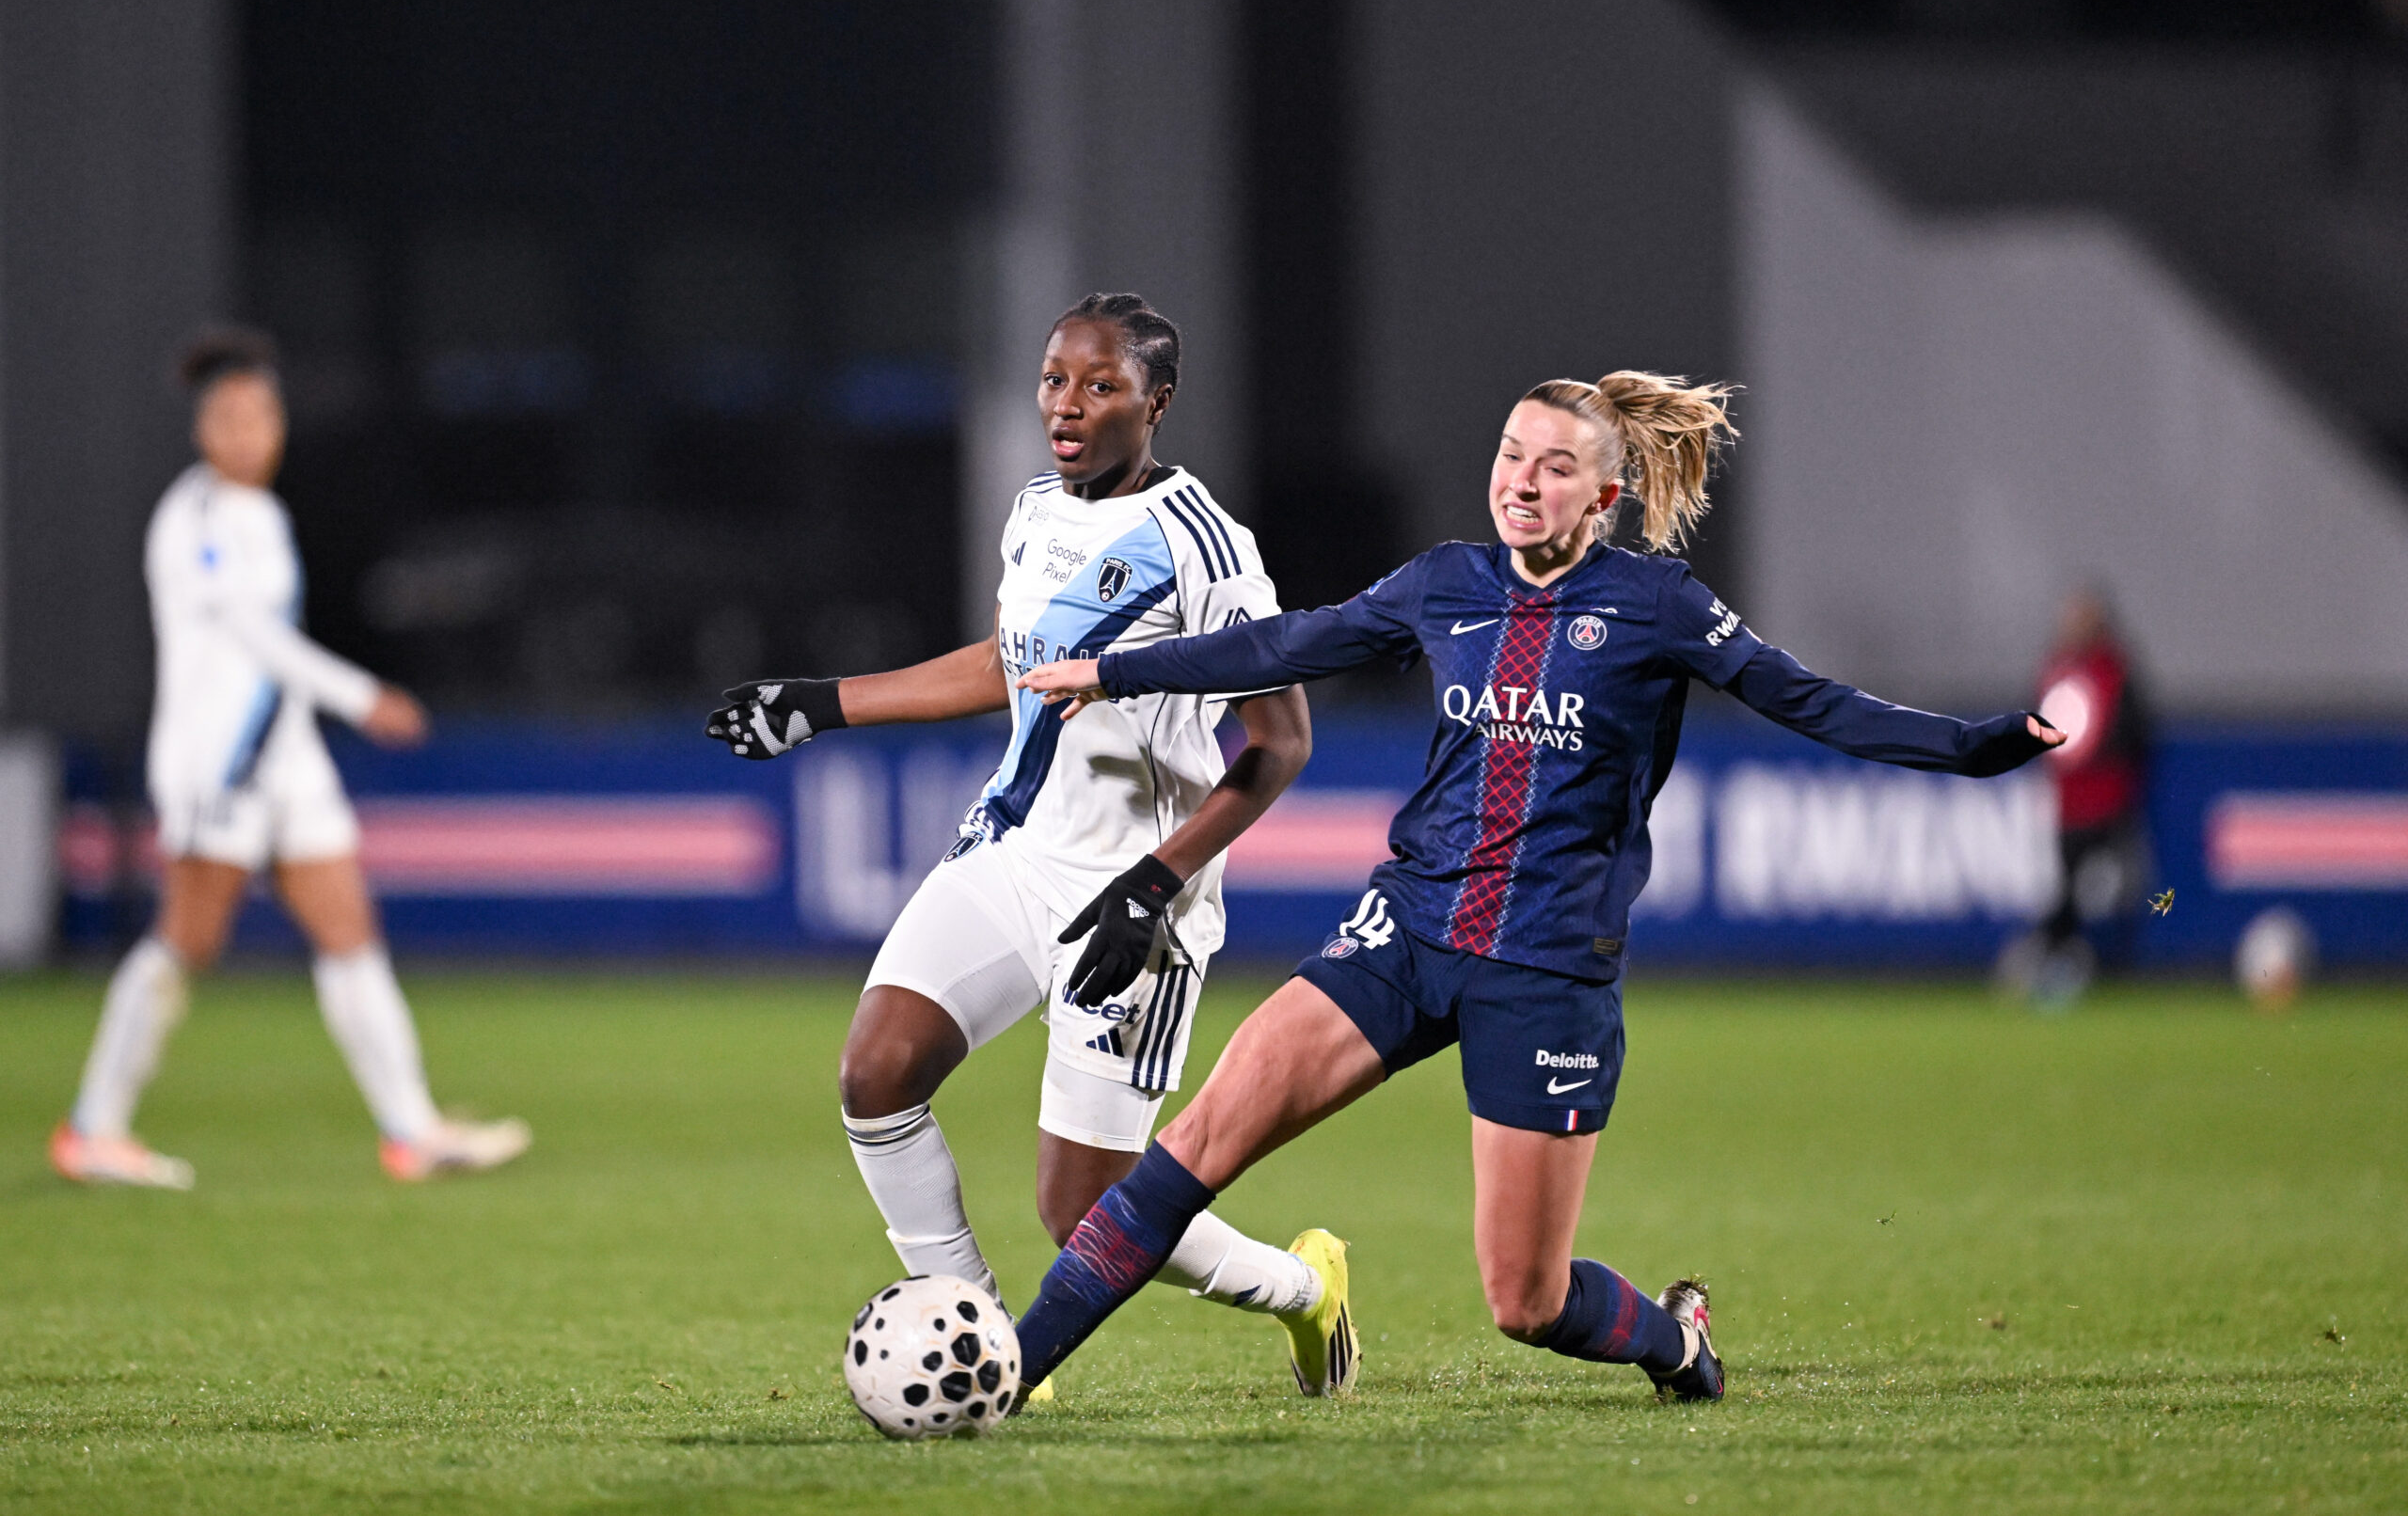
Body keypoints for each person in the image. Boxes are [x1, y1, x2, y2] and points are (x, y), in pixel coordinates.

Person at [1008, 371, 2065, 1402]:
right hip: (1406, 932)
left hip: (1547, 966)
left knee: (1524, 1298)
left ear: (1604, 498)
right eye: (1511, 455)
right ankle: (1005, 1372)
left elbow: (1814, 702)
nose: (1521, 479)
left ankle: (1674, 1340)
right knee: (1192, 1145)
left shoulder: (1658, 604)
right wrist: (1115, 669)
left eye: (1555, 468)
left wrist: (1977, 747)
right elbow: (1287, 640)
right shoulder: (1445, 583)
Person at [705, 294, 1354, 1395]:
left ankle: (1307, 1288)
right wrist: (825, 702)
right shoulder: (1034, 509)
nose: (1067, 404)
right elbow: (1008, 660)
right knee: (875, 1073)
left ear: (1157, 402)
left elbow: (1279, 742)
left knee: (1084, 1213)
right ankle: (979, 1332)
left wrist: (1156, 884)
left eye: (1100, 386)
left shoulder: (1201, 545)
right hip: (1012, 854)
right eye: (1055, 378)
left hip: (1137, 896)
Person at [50, 329, 531, 1190]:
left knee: (350, 931)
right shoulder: (197, 517)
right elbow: (253, 636)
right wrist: (362, 697)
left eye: (261, 415)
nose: (247, 433)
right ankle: (93, 1129)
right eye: (228, 418)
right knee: (188, 939)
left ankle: (411, 1130)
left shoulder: (260, 513)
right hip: (218, 762)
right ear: (203, 431)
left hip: (285, 757)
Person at [2021, 585, 2153, 1002]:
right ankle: (2057, 965)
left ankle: (2107, 968)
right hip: (2069, 807)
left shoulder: (2115, 670)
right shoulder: (2056, 668)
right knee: (2066, 894)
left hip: (2110, 804)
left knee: (2117, 894)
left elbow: (2135, 735)